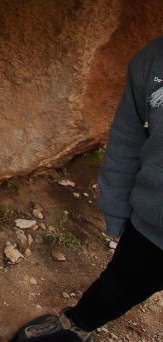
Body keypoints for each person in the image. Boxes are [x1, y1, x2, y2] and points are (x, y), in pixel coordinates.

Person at [11, 35, 163, 342]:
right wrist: (118, 210)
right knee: (118, 285)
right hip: (152, 228)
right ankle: (77, 326)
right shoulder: (152, 61)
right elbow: (126, 141)